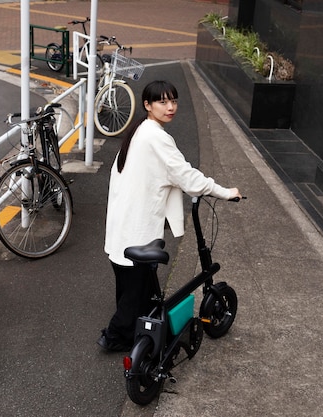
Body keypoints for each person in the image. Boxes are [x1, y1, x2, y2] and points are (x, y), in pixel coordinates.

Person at [97, 80, 241, 352]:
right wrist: (224, 192)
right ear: (147, 105)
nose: (171, 107)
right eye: (162, 102)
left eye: (173, 101)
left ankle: (133, 334)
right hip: (136, 229)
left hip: (123, 225)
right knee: (134, 295)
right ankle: (115, 337)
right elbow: (187, 176)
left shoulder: (141, 130)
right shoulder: (157, 137)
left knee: (131, 290)